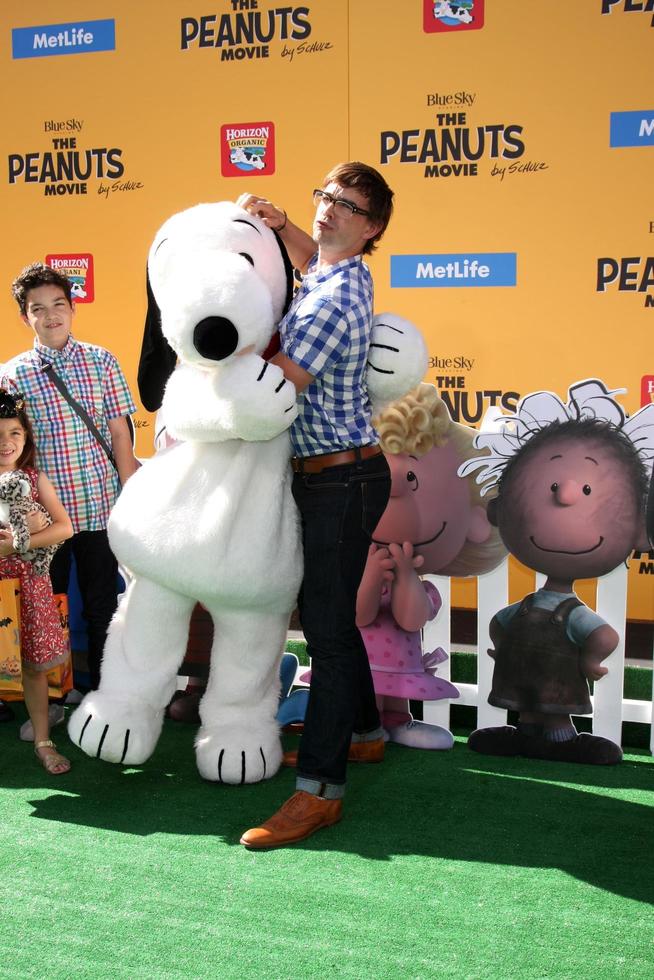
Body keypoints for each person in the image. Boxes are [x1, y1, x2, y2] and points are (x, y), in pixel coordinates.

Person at [236, 161, 395, 849]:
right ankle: (363, 733)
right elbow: (313, 255)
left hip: (340, 482)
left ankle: (320, 792)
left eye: (347, 207)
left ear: (373, 228)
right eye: (325, 197)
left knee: (326, 635)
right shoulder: (337, 269)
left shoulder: (334, 300)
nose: (328, 212)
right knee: (331, 620)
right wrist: (284, 224)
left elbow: (282, 385)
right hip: (335, 476)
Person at [2, 263, 139, 692]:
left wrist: (130, 493)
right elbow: (12, 450)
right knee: (47, 608)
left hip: (100, 506)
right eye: (38, 309)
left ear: (73, 308)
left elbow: (120, 434)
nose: (51, 316)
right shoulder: (12, 374)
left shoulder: (102, 361)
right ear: (26, 318)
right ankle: (57, 698)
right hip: (45, 519)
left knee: (101, 605)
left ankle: (103, 694)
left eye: (59, 305)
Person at [0, 389, 74, 773]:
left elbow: (64, 527)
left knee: (32, 666)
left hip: (28, 584)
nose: (6, 442)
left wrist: (17, 545)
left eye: (14, 433)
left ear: (26, 438)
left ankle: (44, 741)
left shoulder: (33, 478)